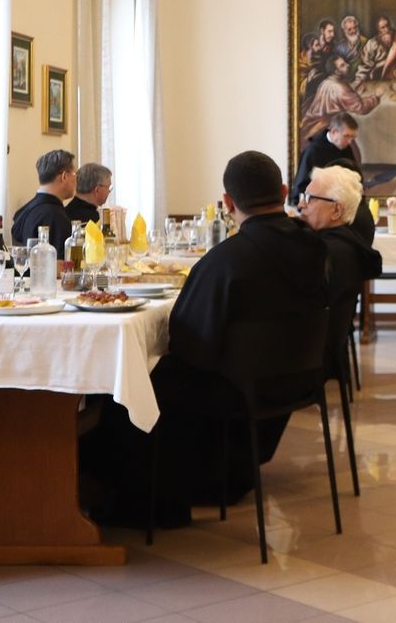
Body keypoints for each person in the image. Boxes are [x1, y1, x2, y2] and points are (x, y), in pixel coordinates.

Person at [87, 151, 329, 527]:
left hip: (237, 389)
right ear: (283, 192)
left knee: (136, 382)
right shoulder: (316, 247)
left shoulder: (226, 260)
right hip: (299, 378)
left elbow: (187, 340)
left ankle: (141, 501)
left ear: (228, 203)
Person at [298, 165, 381, 368]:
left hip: (309, 356)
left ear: (336, 210)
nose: (301, 205)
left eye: (310, 198)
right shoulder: (345, 243)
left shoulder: (328, 253)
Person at [299, 56, 380, 143]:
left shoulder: (326, 82)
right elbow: (361, 108)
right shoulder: (340, 88)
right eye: (342, 65)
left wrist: (355, 91)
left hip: (317, 123)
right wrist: (376, 97)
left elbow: (342, 97)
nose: (348, 65)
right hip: (328, 128)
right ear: (336, 71)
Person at [11, 149, 76, 254]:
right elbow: (62, 262)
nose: (76, 180)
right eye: (74, 175)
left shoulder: (22, 211)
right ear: (64, 176)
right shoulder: (55, 216)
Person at [292, 112, 359, 201]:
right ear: (334, 132)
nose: (350, 141)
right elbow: (302, 185)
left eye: (352, 137)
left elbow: (354, 175)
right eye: (346, 136)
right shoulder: (313, 151)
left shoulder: (346, 149)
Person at [355, 15, 396, 86]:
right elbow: (364, 66)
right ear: (378, 30)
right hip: (377, 81)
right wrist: (359, 81)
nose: (387, 29)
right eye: (383, 27)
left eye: (388, 26)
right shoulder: (371, 44)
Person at [299, 18, 339, 103]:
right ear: (322, 31)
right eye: (329, 31)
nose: (332, 35)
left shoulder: (333, 47)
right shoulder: (312, 41)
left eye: (333, 32)